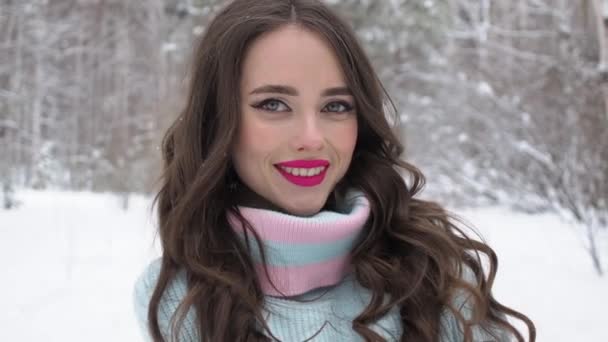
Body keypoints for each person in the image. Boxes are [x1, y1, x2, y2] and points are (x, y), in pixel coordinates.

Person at [133, 0, 536, 341]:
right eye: (273, 104)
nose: (312, 138)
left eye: (336, 107)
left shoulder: (432, 267)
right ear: (217, 121)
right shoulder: (180, 296)